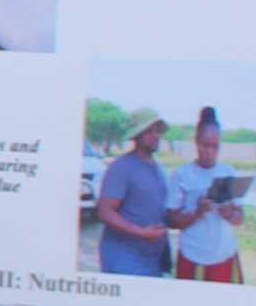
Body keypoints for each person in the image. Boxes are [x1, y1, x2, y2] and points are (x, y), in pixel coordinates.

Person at [96, 114, 175, 277]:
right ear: (137, 136)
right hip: (125, 256)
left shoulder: (159, 169)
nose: (156, 136)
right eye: (150, 131)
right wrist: (141, 232)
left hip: (154, 259)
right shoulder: (121, 167)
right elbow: (105, 212)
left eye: (158, 131)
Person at [174, 108, 246, 283]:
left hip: (224, 256)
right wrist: (198, 212)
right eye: (205, 145)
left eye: (216, 146)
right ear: (196, 142)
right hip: (192, 256)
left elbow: (240, 217)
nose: (210, 151)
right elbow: (171, 220)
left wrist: (229, 213)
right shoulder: (181, 174)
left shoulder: (227, 172)